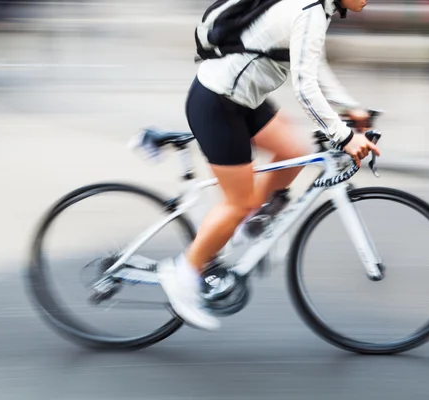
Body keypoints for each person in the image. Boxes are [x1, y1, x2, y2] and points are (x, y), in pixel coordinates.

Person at [158, 0, 380, 330]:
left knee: (292, 150)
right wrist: (344, 135)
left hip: (240, 100)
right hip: (217, 104)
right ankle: (183, 275)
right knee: (239, 201)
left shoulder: (318, 9)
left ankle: (249, 226)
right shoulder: (310, 11)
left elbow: (313, 65)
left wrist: (351, 108)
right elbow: (305, 89)